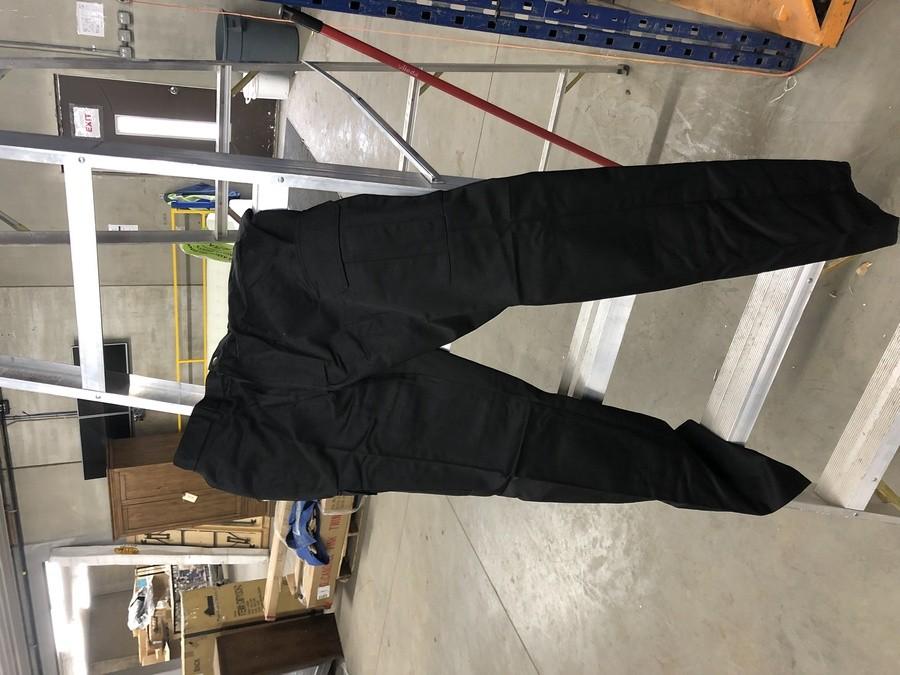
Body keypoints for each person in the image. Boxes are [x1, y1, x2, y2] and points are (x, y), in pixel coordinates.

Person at [175, 160, 898, 515]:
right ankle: (751, 485)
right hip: (264, 426)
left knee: (547, 237)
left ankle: (834, 209)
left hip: (290, 294)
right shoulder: (242, 449)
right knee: (526, 443)